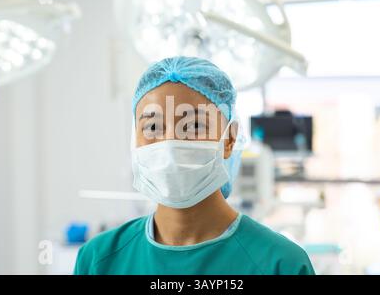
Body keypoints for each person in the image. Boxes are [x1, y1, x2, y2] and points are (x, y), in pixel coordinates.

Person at [74, 56, 315, 275]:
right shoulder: (99, 260)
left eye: (194, 125)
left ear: (229, 139)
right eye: (153, 127)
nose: (170, 143)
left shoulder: (281, 265)